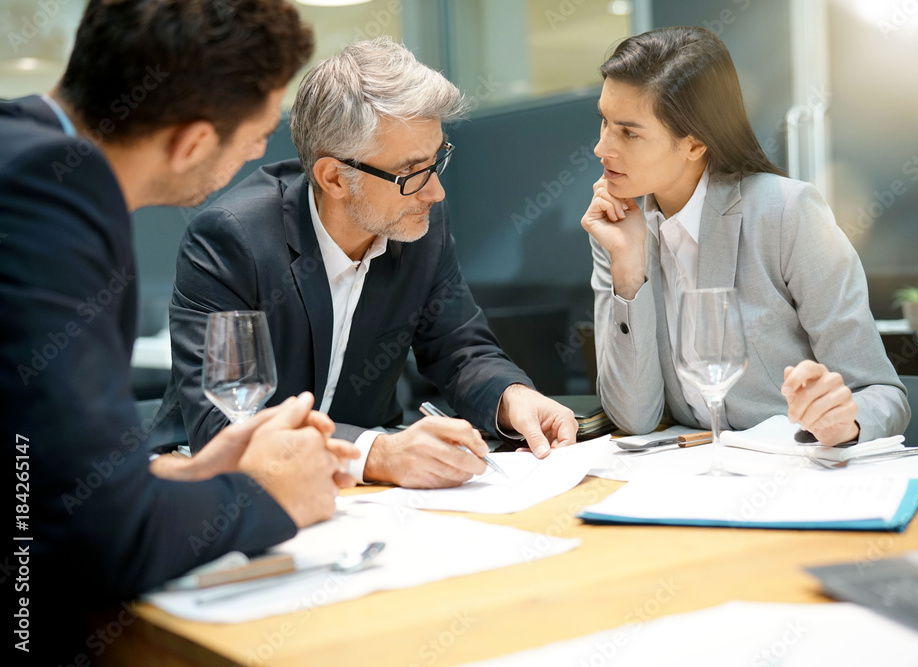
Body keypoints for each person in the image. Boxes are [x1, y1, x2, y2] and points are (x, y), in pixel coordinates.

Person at [0, 1, 357, 660]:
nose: (263, 155)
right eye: (257, 136)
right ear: (193, 140)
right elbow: (97, 538)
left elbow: (36, 469)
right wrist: (268, 494)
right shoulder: (50, 194)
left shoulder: (23, 149)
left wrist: (186, 475)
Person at [162, 38, 578, 489]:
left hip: (370, 496)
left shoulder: (418, 221)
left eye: (437, 159)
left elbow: (460, 350)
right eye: (412, 172)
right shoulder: (232, 238)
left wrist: (511, 397)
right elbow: (224, 423)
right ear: (335, 178)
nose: (435, 191)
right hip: (222, 492)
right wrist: (377, 453)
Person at [581, 27, 909, 445]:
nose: (600, 148)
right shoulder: (616, 228)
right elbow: (634, 416)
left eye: (628, 132)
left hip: (795, 470)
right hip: (694, 476)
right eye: (604, 122)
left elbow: (882, 394)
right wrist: (628, 269)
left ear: (695, 144)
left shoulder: (786, 212)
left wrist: (847, 421)